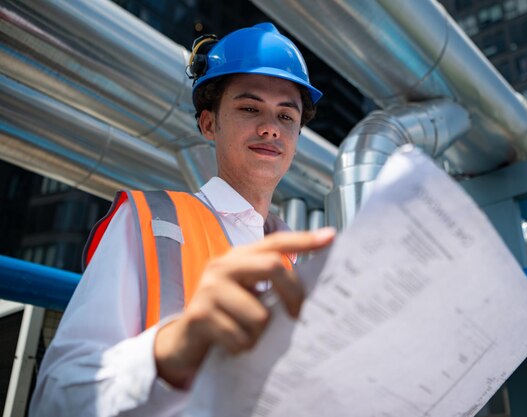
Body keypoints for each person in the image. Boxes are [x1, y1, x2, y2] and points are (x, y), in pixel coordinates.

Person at [29, 22, 335, 416]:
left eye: (286, 117)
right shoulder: (149, 221)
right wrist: (168, 352)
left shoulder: (297, 264)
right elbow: (55, 396)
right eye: (249, 108)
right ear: (209, 124)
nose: (269, 128)